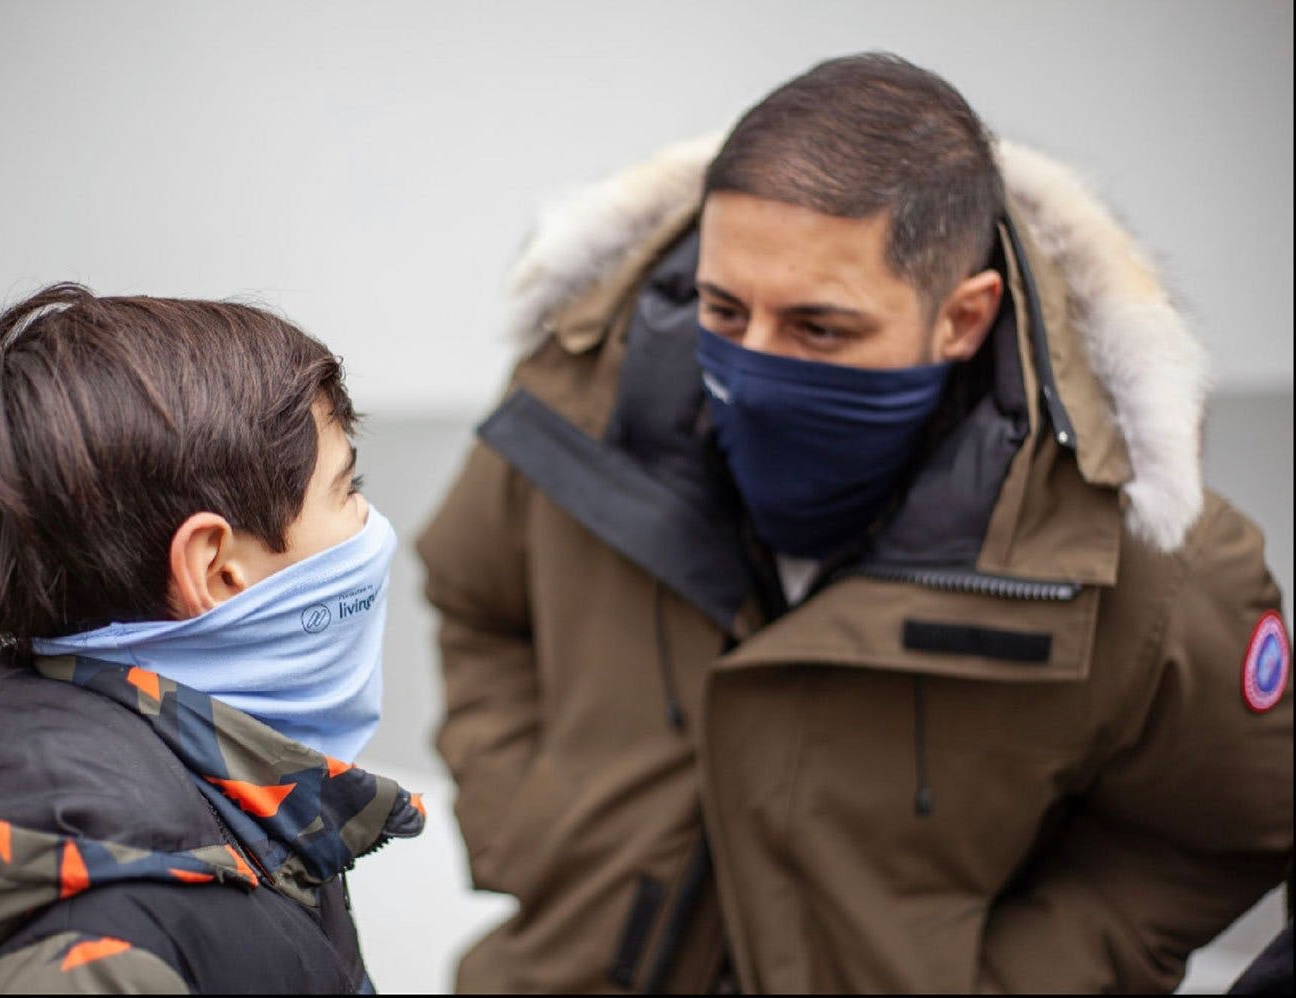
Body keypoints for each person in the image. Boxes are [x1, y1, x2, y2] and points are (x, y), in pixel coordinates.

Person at [419, 52, 1293, 993]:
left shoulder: (1140, 555)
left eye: (819, 328)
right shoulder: (575, 414)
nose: (751, 370)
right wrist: (530, 825)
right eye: (723, 309)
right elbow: (476, 600)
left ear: (962, 319)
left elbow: (1214, 829)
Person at [0, 284, 424, 994]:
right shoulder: (97, 952)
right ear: (215, 568)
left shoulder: (188, 797)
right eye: (347, 488)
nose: (367, 522)